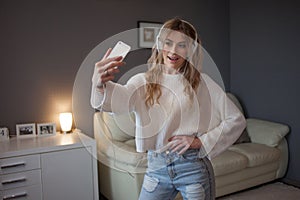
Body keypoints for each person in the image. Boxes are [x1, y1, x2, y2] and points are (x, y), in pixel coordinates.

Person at [91, 18, 246, 200]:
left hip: (192, 166)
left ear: (190, 50)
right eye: (168, 43)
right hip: (157, 167)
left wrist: (201, 142)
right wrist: (99, 84)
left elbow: (236, 119)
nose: (173, 51)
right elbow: (117, 101)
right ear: (159, 45)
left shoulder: (202, 83)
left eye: (182, 45)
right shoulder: (144, 81)